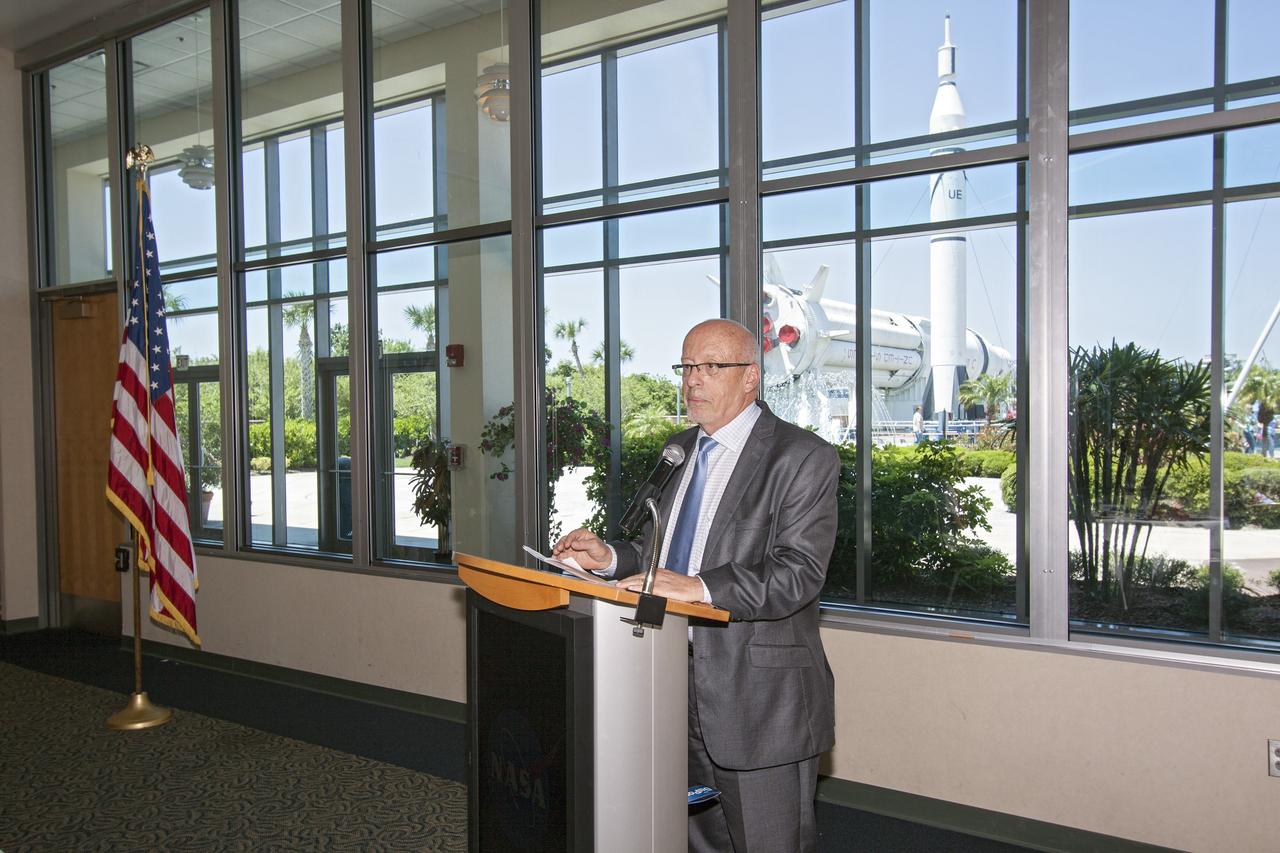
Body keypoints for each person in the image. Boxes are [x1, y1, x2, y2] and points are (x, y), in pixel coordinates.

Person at [553, 318, 838, 853]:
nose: (693, 381)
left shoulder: (801, 457)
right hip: (667, 683)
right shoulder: (678, 449)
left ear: (751, 377)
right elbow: (660, 557)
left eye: (711, 367)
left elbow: (798, 573)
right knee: (695, 840)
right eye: (686, 367)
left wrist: (703, 589)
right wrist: (612, 557)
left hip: (757, 701)